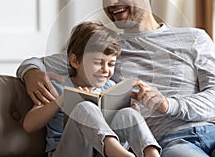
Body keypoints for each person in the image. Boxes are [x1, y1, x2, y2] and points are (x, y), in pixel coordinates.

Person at [17, 0, 215, 156]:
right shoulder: (105, 49)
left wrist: (167, 105)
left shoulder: (195, 38)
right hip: (168, 141)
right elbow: (37, 62)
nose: (111, 1)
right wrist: (31, 73)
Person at [22, 21, 161, 157]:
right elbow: (29, 125)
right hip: (68, 151)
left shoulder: (109, 87)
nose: (105, 70)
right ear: (75, 61)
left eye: (111, 64)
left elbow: (123, 122)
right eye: (97, 63)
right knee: (84, 106)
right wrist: (63, 99)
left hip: (100, 152)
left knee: (127, 113)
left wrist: (130, 102)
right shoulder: (57, 86)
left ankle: (151, 153)